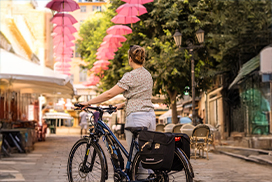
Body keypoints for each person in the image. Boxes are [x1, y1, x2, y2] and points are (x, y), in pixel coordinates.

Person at [79, 45, 156, 152]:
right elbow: (140, 97)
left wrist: (88, 102)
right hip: (150, 117)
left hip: (136, 117)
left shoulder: (131, 76)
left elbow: (109, 94)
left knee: (137, 159)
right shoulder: (148, 75)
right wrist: (121, 105)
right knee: (147, 156)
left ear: (130, 59)